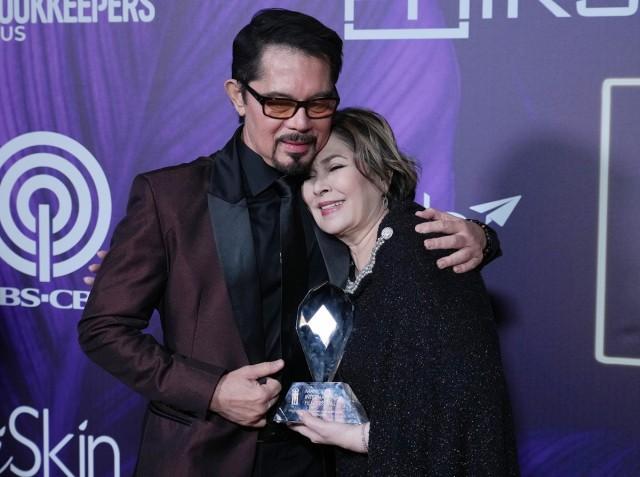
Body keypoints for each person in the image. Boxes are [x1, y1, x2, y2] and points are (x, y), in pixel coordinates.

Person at [78, 9, 499, 477]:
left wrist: (482, 236)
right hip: (199, 458)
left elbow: (397, 245)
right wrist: (212, 390)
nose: (300, 123)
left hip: (322, 460)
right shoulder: (170, 198)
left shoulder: (333, 199)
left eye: (318, 104)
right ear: (238, 96)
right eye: (278, 103)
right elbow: (104, 328)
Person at [290, 108, 519, 476]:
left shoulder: (421, 248)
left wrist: (359, 438)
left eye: (334, 168)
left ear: (381, 173)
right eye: (308, 177)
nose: (319, 187)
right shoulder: (352, 269)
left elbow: (464, 407)